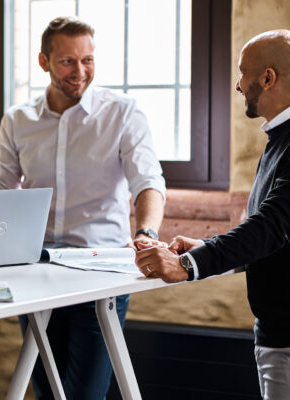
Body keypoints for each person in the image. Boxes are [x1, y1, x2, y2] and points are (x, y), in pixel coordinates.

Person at [0, 16, 166, 400]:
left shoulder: (123, 112)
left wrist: (146, 233)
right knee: (46, 389)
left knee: (86, 392)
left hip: (102, 273)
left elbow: (148, 183)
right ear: (44, 62)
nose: (79, 71)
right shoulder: (18, 120)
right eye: (67, 61)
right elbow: (0, 193)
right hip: (37, 272)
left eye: (87, 60)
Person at [135, 30, 290, 399]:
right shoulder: (280, 139)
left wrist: (189, 263)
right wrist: (205, 245)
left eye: (242, 73)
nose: (238, 85)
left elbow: (272, 226)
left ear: (267, 78)